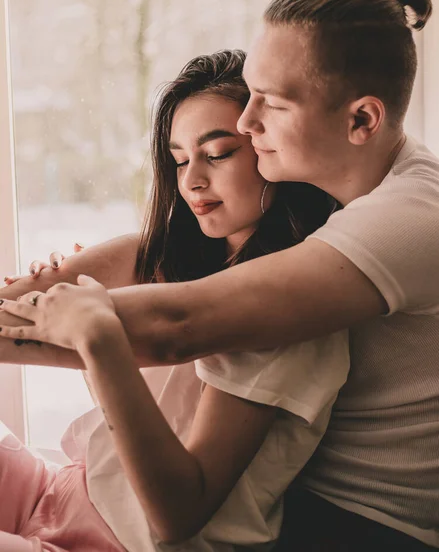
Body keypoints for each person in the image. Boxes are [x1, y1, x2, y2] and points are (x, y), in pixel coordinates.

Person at [1, 0, 438, 549]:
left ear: (362, 119)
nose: (250, 123)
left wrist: (88, 319)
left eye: (270, 104)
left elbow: (178, 328)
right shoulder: (274, 226)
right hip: (280, 500)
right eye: (249, 94)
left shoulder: (410, 216)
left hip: (359, 523)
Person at [0, 50, 348, 552]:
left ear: (271, 149)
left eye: (219, 153)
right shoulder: (159, 256)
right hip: (59, 491)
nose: (191, 181)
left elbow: (178, 516)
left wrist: (96, 338)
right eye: (180, 160)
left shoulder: (289, 315)